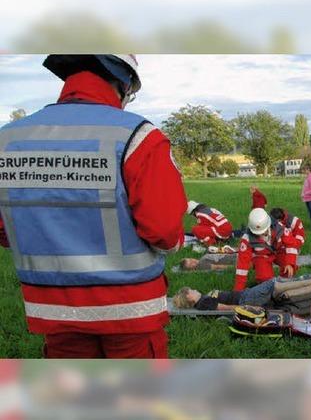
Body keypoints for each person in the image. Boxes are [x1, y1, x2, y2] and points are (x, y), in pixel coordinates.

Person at [0, 54, 187, 358]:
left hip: (55, 311)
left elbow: (6, 227)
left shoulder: (8, 139)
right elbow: (163, 230)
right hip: (131, 312)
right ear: (123, 81)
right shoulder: (138, 136)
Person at [233, 208, 298, 291]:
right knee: (265, 281)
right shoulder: (247, 240)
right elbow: (242, 267)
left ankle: (284, 286)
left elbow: (291, 245)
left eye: (262, 232)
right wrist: (238, 291)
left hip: (279, 252)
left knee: (289, 270)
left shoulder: (279, 228)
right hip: (262, 257)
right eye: (257, 233)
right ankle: (269, 290)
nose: (260, 235)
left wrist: (290, 263)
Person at [173, 278, 311, 311]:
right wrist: (247, 308)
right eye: (191, 290)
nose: (194, 290)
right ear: (189, 297)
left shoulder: (204, 298)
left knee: (279, 289)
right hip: (246, 299)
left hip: (247, 295)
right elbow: (225, 307)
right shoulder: (203, 303)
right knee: (275, 285)